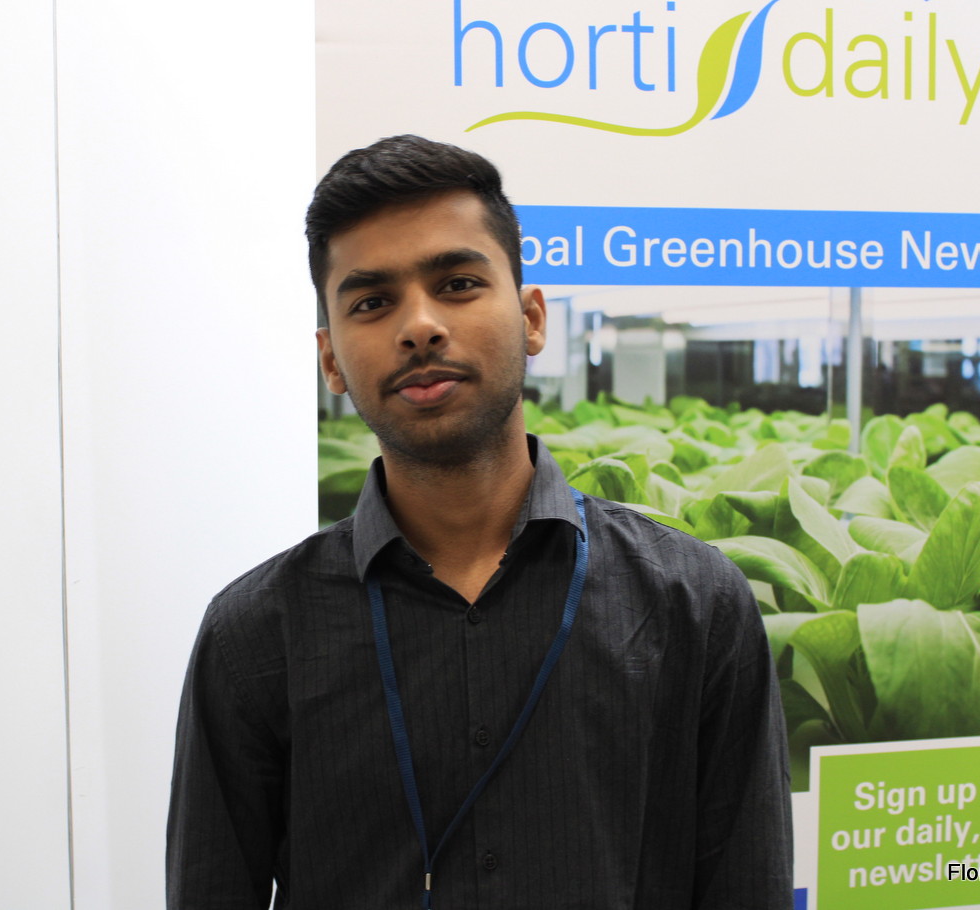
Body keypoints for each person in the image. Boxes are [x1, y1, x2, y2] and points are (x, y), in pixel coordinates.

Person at [167, 135, 793, 909]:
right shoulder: (255, 637)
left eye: (458, 284)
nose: (420, 326)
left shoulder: (694, 604)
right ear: (330, 360)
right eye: (372, 302)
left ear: (531, 318)